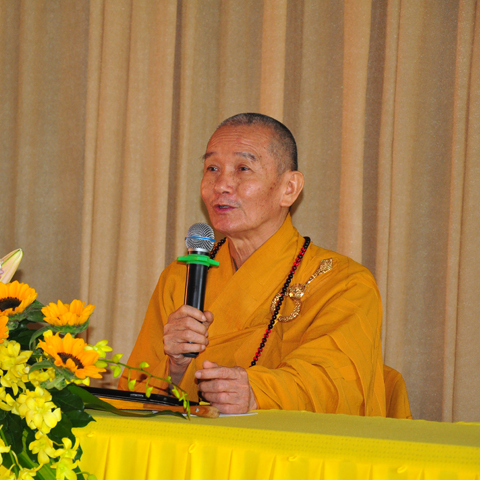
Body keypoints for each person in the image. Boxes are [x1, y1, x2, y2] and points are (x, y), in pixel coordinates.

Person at [119, 113, 411, 418]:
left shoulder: (343, 282)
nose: (221, 185)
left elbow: (335, 382)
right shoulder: (181, 278)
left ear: (289, 188)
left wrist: (256, 393)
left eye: (243, 169)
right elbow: (132, 394)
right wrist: (176, 367)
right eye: (212, 168)